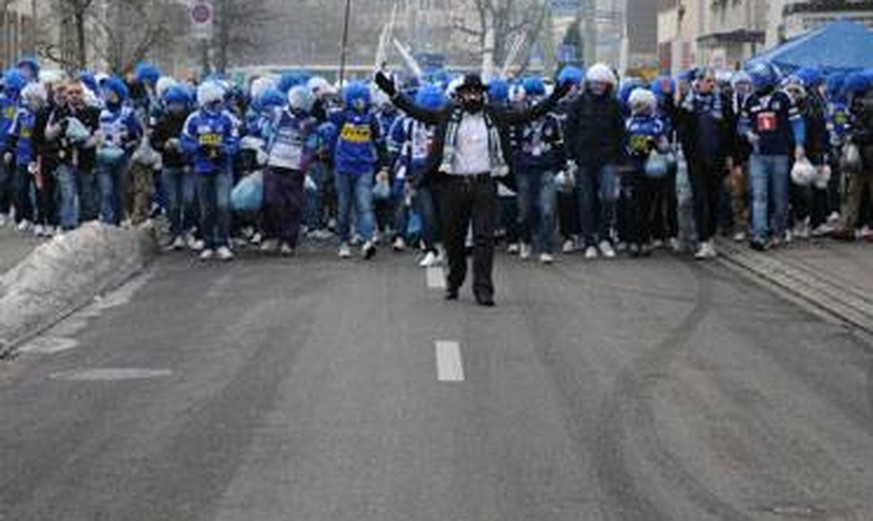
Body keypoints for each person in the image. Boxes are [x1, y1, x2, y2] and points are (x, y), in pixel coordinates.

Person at [374, 71, 570, 306]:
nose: (473, 96)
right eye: (469, 92)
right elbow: (419, 113)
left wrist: (555, 98)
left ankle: (483, 289)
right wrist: (393, 93)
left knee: (483, 238)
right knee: (453, 238)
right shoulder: (449, 115)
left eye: (477, 92)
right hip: (453, 184)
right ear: (461, 95)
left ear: (483, 94)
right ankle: (455, 280)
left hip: (484, 183)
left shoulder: (494, 116)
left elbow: (526, 115)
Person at [564, 63, 626, 260]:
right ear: (588, 83)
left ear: (608, 84)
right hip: (583, 160)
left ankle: (604, 237)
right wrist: (570, 158)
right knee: (585, 201)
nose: (598, 87)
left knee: (608, 197)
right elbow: (569, 133)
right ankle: (589, 241)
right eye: (594, 83)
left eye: (602, 83)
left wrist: (620, 160)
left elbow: (620, 133)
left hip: (607, 159)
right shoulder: (578, 104)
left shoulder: (615, 105)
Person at [676, 67, 734, 259]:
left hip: (716, 159)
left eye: (713, 81)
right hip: (696, 160)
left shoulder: (723, 103)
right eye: (707, 80)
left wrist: (729, 156)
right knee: (700, 200)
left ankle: (710, 238)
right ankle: (702, 241)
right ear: (698, 82)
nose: (711, 84)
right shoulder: (688, 104)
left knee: (714, 199)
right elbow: (680, 127)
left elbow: (729, 131)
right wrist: (676, 96)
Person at [260, 85, 325, 256]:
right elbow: (265, 131)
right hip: (274, 164)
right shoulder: (278, 114)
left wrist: (304, 164)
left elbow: (311, 144)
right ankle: (270, 236)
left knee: (293, 205)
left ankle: (288, 241)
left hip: (295, 168)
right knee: (271, 201)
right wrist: (263, 151)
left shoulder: (310, 122)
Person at [329, 81, 388, 260]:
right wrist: (336, 103)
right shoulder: (341, 117)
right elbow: (328, 119)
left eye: (362, 99)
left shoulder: (372, 119)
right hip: (343, 168)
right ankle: (344, 242)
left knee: (365, 206)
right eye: (355, 100)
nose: (359, 103)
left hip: (365, 168)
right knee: (343, 207)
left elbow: (380, 144)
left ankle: (368, 240)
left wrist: (383, 167)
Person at [182, 81, 240, 261]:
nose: (217, 105)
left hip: (222, 167)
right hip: (202, 168)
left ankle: (222, 242)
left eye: (218, 101)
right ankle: (208, 243)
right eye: (213, 102)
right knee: (206, 209)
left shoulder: (228, 118)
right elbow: (185, 141)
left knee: (223, 205)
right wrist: (199, 147)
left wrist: (223, 148)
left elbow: (235, 141)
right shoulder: (193, 119)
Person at [511, 76, 565, 264]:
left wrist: (561, 167)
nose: (534, 99)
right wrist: (516, 165)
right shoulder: (519, 119)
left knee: (548, 210)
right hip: (525, 171)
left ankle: (545, 248)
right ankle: (525, 240)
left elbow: (560, 146)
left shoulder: (553, 120)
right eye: (530, 95)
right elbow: (512, 145)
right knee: (524, 211)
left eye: (538, 95)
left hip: (546, 170)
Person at [624, 87, 670, 257]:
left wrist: (654, 145)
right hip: (632, 168)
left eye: (642, 104)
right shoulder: (627, 123)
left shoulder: (657, 123)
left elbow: (664, 146)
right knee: (633, 206)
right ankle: (634, 241)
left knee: (648, 206)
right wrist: (644, 144)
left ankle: (645, 240)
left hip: (652, 170)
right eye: (636, 104)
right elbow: (624, 145)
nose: (639, 107)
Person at [152, 84, 196, 250]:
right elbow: (154, 142)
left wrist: (184, 146)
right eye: (171, 103)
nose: (175, 107)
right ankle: (176, 232)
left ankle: (188, 229)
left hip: (188, 166)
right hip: (169, 165)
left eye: (178, 103)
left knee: (189, 199)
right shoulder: (163, 121)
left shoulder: (192, 119)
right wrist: (165, 145)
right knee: (172, 202)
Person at [94, 77, 142, 225]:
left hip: (122, 158)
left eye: (110, 90)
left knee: (121, 191)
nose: (107, 93)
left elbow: (137, 136)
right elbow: (95, 132)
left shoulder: (128, 113)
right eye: (105, 90)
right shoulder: (100, 112)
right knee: (106, 191)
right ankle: (108, 223)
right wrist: (97, 139)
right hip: (103, 157)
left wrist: (126, 141)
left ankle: (120, 219)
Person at [4, 82, 48, 234]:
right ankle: (27, 217)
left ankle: (40, 221)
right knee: (19, 189)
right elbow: (12, 133)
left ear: (41, 100)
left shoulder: (45, 114)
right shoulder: (21, 113)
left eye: (35, 99)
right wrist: (8, 150)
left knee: (39, 191)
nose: (31, 102)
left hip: (37, 159)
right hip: (21, 158)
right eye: (29, 98)